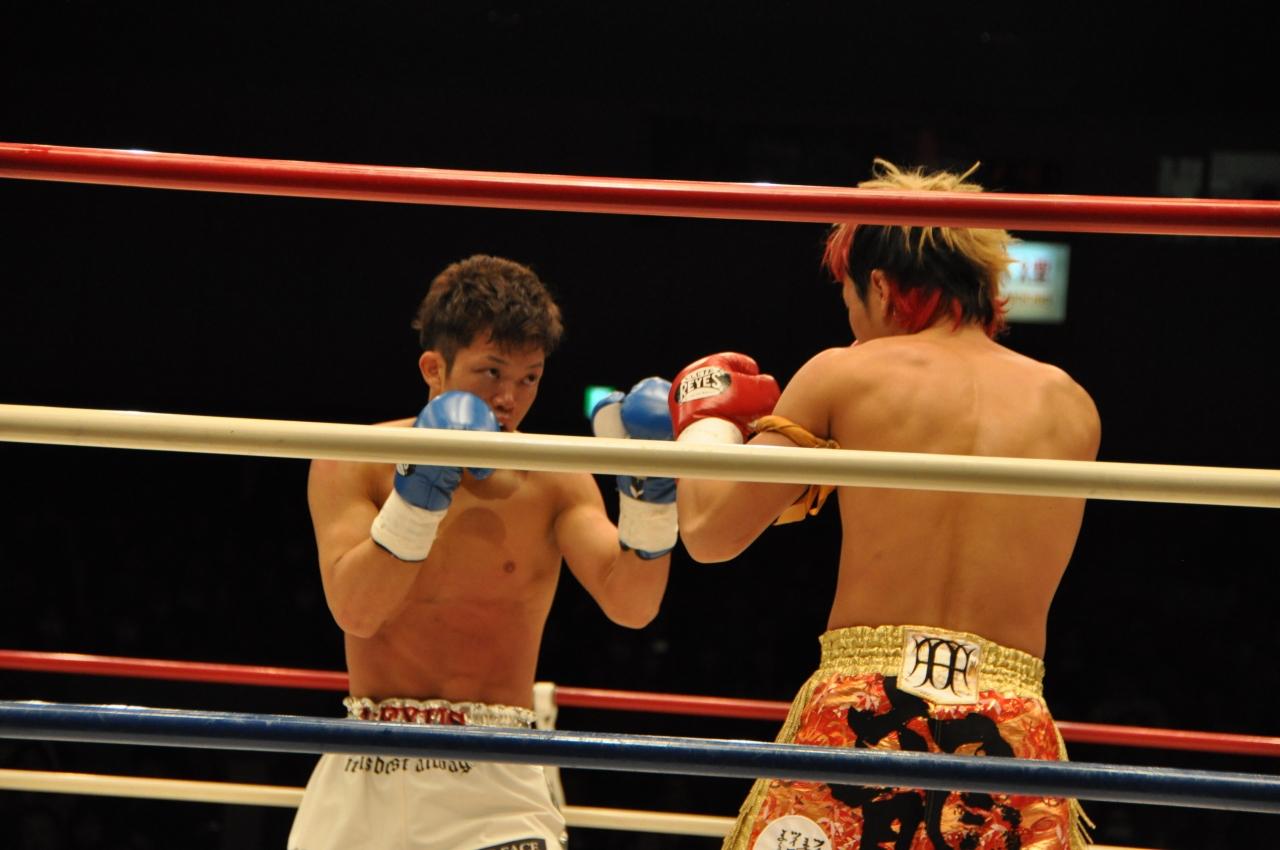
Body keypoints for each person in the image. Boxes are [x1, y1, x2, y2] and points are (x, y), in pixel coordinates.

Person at [670, 161, 1101, 850]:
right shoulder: (1071, 405)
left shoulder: (847, 372)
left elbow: (708, 533)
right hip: (1008, 724)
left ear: (877, 285)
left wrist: (706, 422)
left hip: (866, 707)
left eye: (849, 301)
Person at [289, 254, 676, 850]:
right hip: (366, 762)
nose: (509, 398)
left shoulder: (556, 479)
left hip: (496, 775)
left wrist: (651, 498)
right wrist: (419, 495)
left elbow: (633, 604)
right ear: (433, 368)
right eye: (491, 372)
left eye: (529, 378)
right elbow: (357, 611)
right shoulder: (353, 459)